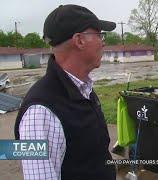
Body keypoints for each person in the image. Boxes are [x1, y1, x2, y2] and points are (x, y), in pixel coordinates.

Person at [14, 4, 116, 180]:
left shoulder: (84, 89)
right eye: (99, 35)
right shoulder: (39, 113)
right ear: (79, 40)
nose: (103, 42)